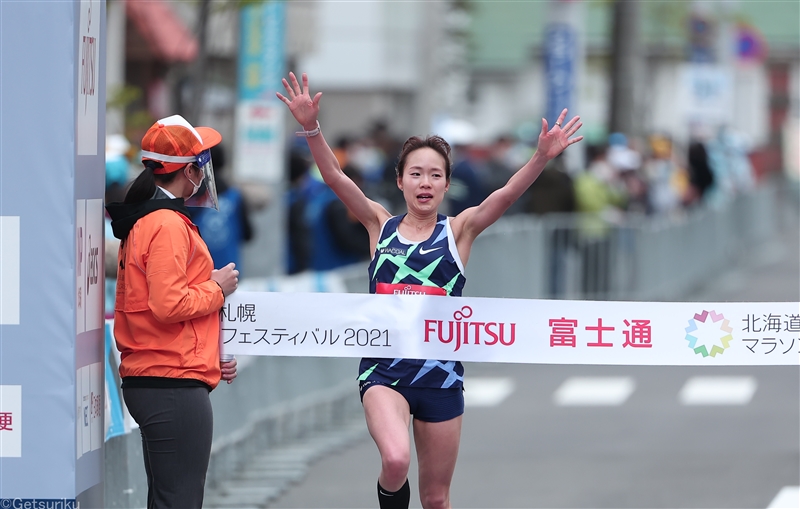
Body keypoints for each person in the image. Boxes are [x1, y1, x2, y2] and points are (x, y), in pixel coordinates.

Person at [278, 72, 582, 509]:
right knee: (396, 459)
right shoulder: (378, 225)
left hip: (441, 377)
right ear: (399, 180)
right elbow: (335, 178)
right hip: (384, 373)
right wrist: (311, 127)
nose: (425, 183)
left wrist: (540, 157)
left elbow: (507, 195)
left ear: (446, 184)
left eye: (435, 175)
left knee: (436, 499)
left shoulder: (460, 230)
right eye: (416, 173)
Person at [105, 114, 240, 508]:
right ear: (189, 170)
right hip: (170, 381)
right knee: (179, 501)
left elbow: (162, 306)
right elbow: (169, 304)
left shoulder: (153, 220)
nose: (205, 171)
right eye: (201, 162)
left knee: (169, 499)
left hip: (166, 376)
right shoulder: (166, 223)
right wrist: (216, 288)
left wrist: (211, 357)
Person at [190, 143, 254, 271]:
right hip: (229, 271)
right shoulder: (235, 196)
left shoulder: (192, 198)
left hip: (198, 272)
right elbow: (248, 234)